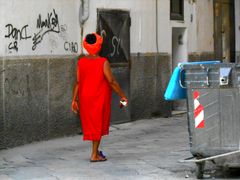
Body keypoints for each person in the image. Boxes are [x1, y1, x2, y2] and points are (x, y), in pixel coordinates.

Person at [71, 33, 128, 162]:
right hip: (98, 97)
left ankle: (96, 152)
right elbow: (111, 81)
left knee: (92, 124)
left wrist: (74, 99)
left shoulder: (81, 62)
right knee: (97, 125)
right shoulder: (103, 62)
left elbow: (78, 82)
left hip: (85, 97)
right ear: (99, 45)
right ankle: (94, 155)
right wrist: (122, 96)